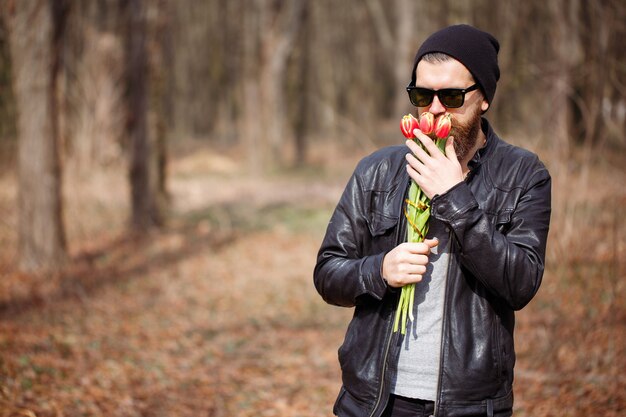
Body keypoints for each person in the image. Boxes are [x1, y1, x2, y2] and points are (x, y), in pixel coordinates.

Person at [313, 24, 551, 417]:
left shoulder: (524, 175)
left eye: (452, 96)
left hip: (470, 405)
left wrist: (455, 197)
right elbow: (327, 273)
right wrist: (380, 270)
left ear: (485, 98)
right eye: (422, 95)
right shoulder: (377, 171)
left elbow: (521, 283)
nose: (435, 109)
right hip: (375, 400)